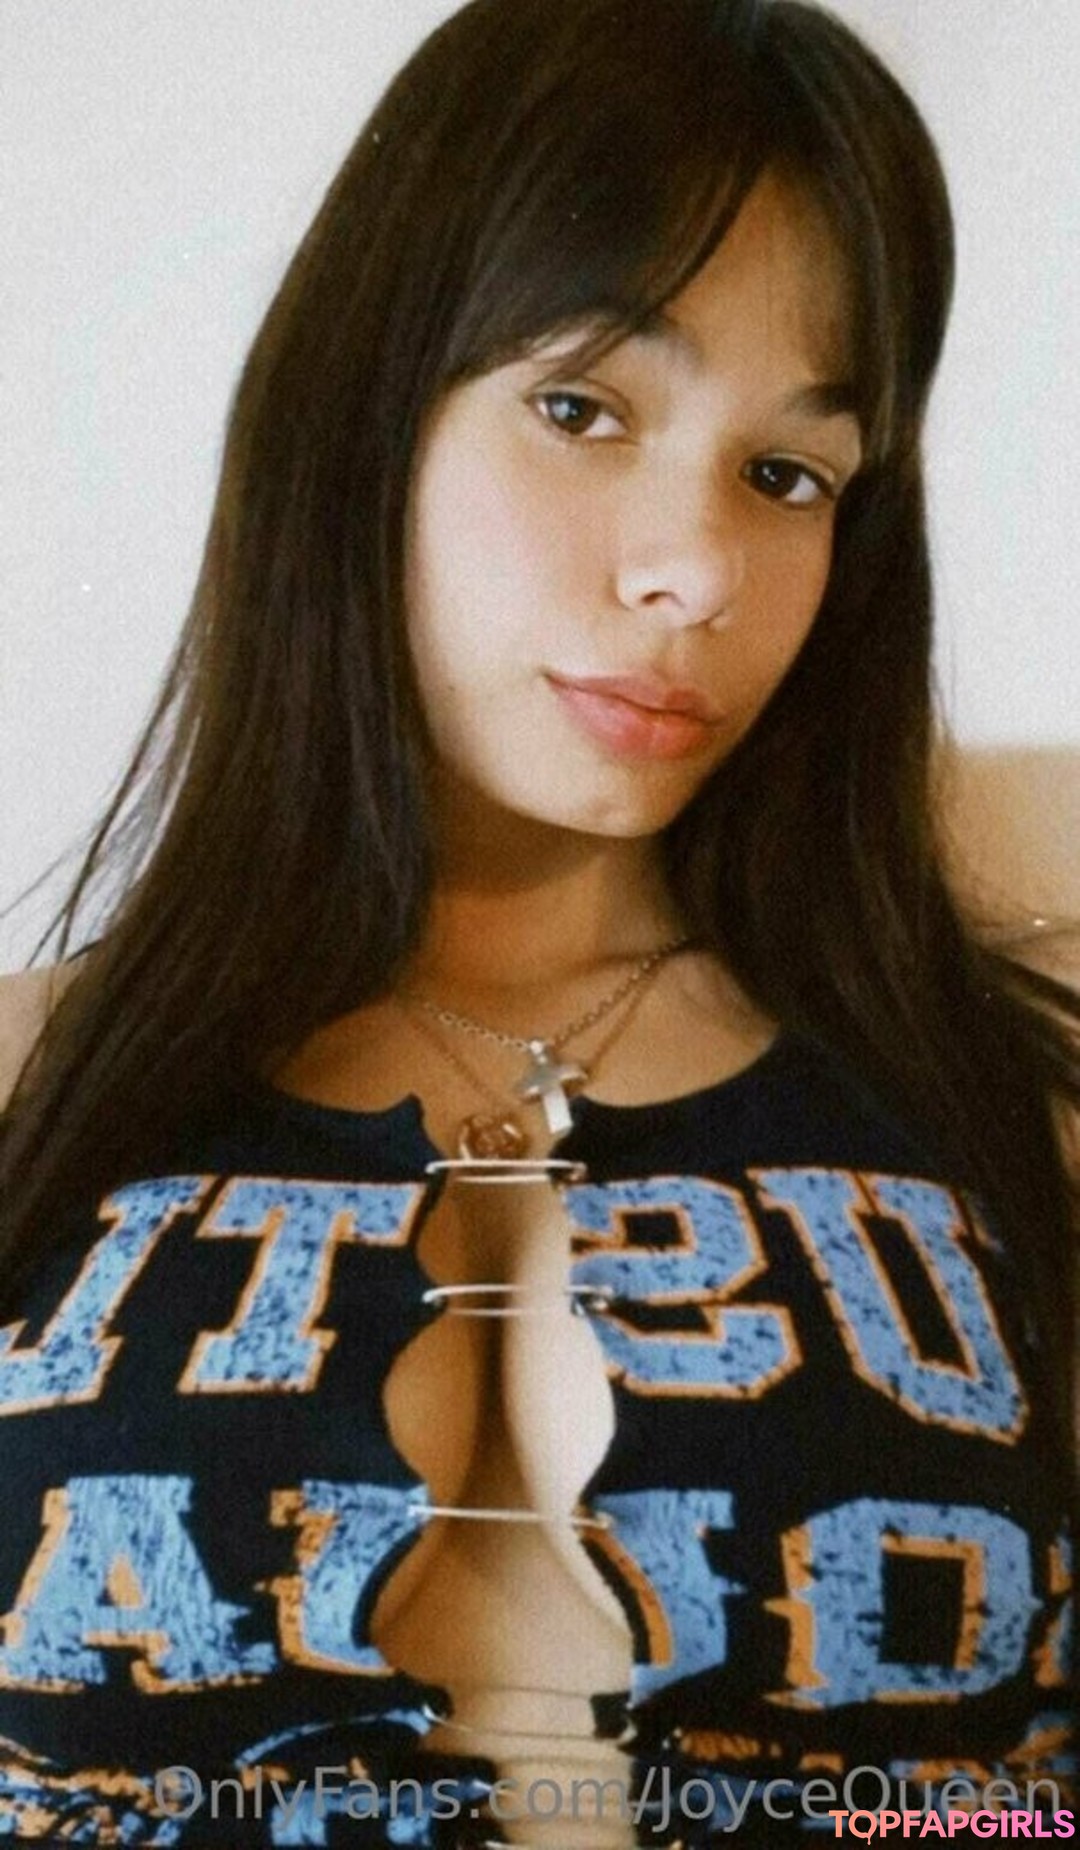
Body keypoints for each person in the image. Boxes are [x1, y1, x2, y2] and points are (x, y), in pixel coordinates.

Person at [0, 0, 1076, 1844]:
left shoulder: (1018, 1113)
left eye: (789, 475)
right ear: (366, 412)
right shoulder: (35, 1085)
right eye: (582, 407)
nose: (698, 570)